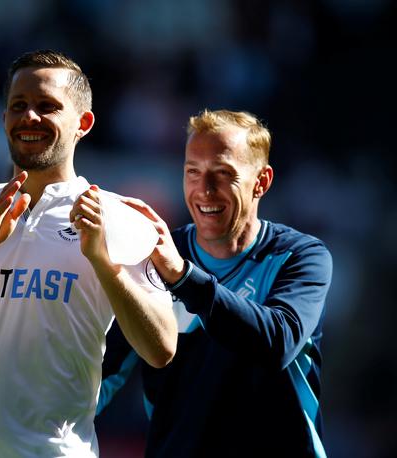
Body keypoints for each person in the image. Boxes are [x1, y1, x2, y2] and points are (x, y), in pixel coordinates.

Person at [0, 49, 178, 458]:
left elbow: (161, 348)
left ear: (83, 123)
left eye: (47, 107)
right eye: (18, 106)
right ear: (4, 119)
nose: (30, 117)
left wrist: (103, 262)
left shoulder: (116, 216)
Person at [98, 109, 333, 457]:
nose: (204, 190)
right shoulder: (152, 258)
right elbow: (102, 374)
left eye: (223, 174)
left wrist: (183, 276)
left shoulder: (300, 257)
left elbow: (276, 343)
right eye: (193, 172)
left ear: (262, 181)